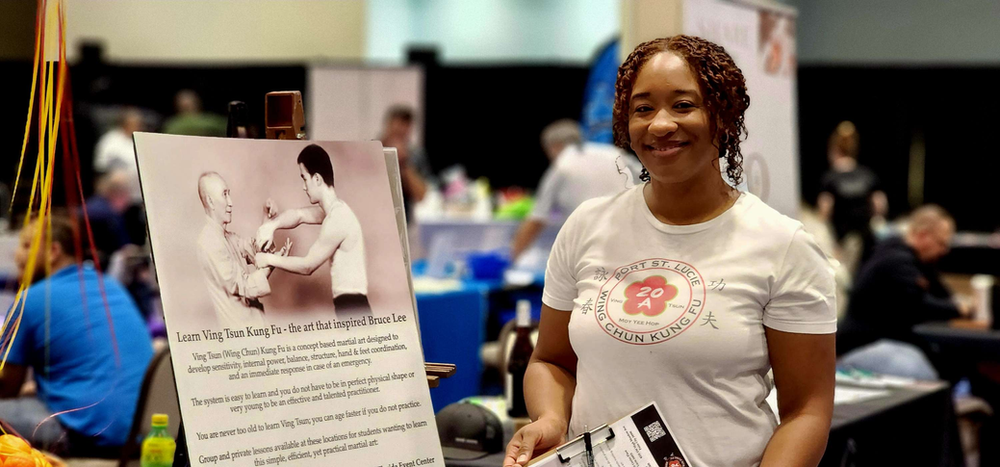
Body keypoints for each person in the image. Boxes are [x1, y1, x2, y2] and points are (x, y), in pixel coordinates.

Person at [504, 36, 836, 467]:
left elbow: (807, 411)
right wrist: (550, 418)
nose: (660, 124)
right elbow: (551, 361)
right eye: (643, 109)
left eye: (683, 105)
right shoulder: (587, 226)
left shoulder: (783, 245)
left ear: (724, 115)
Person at [1, 215, 153, 455]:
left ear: (53, 251)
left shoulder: (31, 300)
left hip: (89, 438)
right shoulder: (110, 285)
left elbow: (6, 388)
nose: (17, 255)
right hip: (144, 434)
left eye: (27, 246)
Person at [837, 205, 969, 380]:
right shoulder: (895, 260)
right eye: (941, 243)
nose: (944, 251)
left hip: (886, 342)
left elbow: (943, 295)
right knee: (926, 376)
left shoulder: (916, 259)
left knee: (947, 361)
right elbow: (921, 305)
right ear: (923, 235)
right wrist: (958, 309)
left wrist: (956, 304)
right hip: (862, 346)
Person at [255, 145, 371, 317]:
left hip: (352, 306)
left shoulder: (338, 218)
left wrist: (268, 259)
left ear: (317, 179)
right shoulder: (334, 211)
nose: (303, 186)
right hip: (349, 305)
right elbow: (299, 215)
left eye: (304, 178)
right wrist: (271, 225)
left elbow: (307, 266)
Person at [510, 119, 638, 260]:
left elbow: (536, 219)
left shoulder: (563, 164)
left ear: (554, 146)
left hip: (593, 246)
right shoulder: (614, 153)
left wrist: (512, 258)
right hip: (633, 238)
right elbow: (651, 182)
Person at [196, 172, 286, 327]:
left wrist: (266, 217)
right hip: (243, 340)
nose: (230, 202)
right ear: (211, 202)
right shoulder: (209, 242)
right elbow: (244, 285)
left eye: (229, 194)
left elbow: (255, 250)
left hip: (254, 331)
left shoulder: (226, 237)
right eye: (224, 195)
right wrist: (272, 262)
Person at [817, 121, 887, 269]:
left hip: (842, 240)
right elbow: (880, 205)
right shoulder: (867, 175)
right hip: (866, 238)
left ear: (833, 149)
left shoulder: (829, 178)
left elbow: (825, 211)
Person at [379, 105, 431, 222]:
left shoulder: (415, 155)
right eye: (398, 124)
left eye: (406, 125)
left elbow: (421, 195)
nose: (401, 129)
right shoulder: (372, 150)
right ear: (388, 124)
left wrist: (403, 163)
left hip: (403, 222)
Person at [93, 107, 145, 202]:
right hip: (116, 190)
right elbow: (100, 167)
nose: (138, 126)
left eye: (139, 124)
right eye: (135, 123)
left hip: (139, 191)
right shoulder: (110, 140)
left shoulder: (141, 140)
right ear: (124, 124)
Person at [163, 89, 227, 137]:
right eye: (184, 105)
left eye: (189, 104)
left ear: (197, 103)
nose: (187, 107)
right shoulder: (173, 124)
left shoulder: (211, 120)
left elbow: (227, 130)